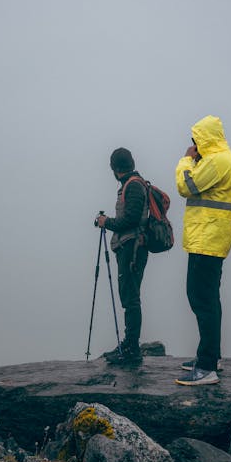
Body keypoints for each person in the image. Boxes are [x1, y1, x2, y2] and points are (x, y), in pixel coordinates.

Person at [174, 116, 231, 386]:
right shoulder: (223, 159)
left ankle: (206, 367)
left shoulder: (218, 161)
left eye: (196, 141)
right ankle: (212, 357)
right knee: (209, 299)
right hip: (211, 237)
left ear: (205, 138)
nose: (194, 145)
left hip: (208, 238)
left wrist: (186, 160)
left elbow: (185, 186)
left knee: (201, 298)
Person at [96, 148, 149, 366]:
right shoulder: (132, 184)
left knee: (130, 297)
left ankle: (131, 348)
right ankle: (129, 345)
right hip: (130, 247)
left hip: (132, 248)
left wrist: (106, 222)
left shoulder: (133, 185)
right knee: (129, 296)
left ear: (114, 168)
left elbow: (132, 220)